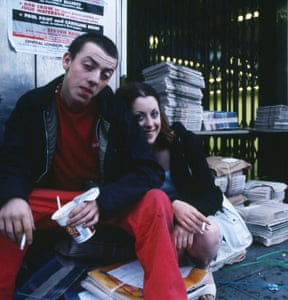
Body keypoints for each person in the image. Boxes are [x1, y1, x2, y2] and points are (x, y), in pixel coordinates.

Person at [0, 33, 187, 299]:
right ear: (67, 60)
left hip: (102, 202)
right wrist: (13, 197)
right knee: (10, 208)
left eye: (105, 74)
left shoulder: (115, 110)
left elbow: (149, 170)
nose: (95, 79)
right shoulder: (34, 105)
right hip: (55, 203)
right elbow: (12, 160)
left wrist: (103, 202)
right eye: (88, 66)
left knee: (157, 200)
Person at [116, 81, 223, 300]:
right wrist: (172, 210)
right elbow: (122, 197)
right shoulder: (120, 152)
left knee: (209, 234)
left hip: (186, 220)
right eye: (139, 117)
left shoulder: (184, 142)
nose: (149, 123)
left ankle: (203, 270)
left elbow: (213, 195)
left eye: (154, 114)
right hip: (150, 224)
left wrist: (185, 218)